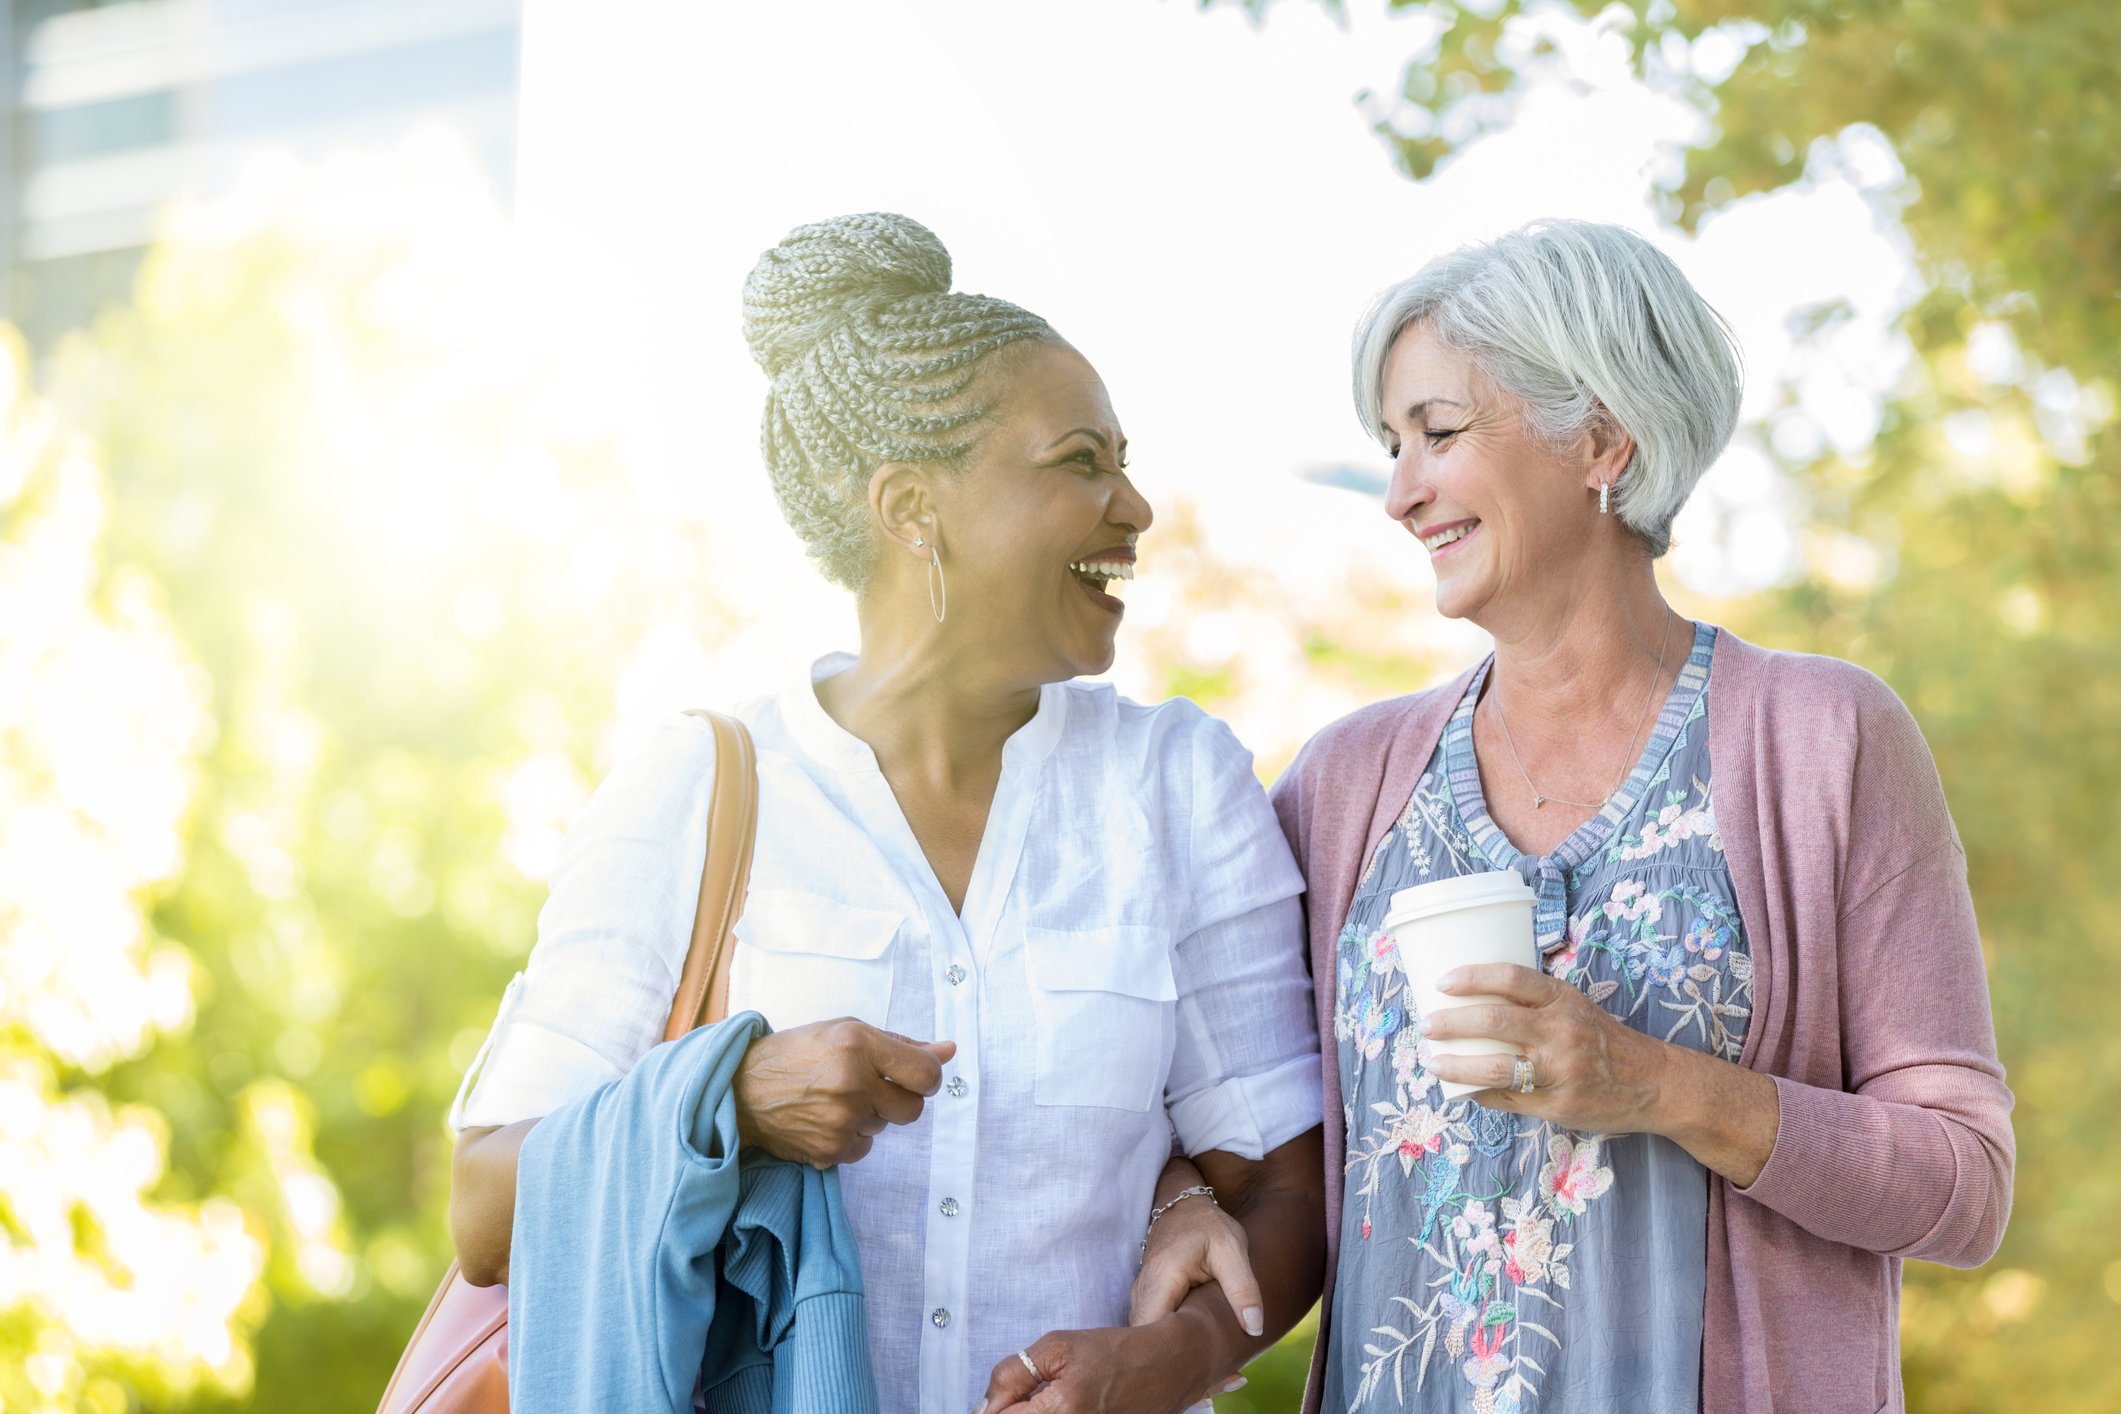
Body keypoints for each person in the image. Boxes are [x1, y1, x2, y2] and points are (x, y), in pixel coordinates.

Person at [445, 212, 1324, 1414]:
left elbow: (1285, 1183)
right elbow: (488, 1208)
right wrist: (736, 1102)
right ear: (913, 505)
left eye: (1123, 458)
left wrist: (1172, 1360)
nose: (1135, 504)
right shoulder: (698, 788)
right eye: (1080, 461)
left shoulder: (1177, 785)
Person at [1266, 220, 2013, 1413]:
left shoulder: (1822, 739)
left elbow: (1965, 1181)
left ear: (1603, 440)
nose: (1402, 493)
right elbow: (1254, 1148)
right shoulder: (1344, 784)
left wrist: (1654, 1083)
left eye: (1440, 434)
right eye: (1391, 446)